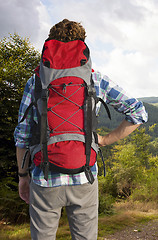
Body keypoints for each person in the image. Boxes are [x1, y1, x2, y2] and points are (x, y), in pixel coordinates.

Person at [14, 19, 148, 239]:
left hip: (44, 177)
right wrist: (104, 140)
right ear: (82, 45)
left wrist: (23, 176)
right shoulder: (96, 79)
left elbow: (22, 136)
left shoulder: (35, 81)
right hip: (84, 175)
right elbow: (138, 112)